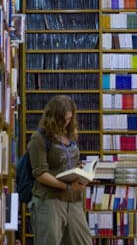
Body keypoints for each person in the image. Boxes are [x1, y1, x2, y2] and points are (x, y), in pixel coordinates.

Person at [27, 95, 92, 245]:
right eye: (63, 119)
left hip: (73, 199)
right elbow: (40, 173)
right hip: (50, 200)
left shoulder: (71, 135)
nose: (66, 123)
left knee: (83, 241)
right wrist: (67, 186)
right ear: (53, 117)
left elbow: (72, 161)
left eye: (69, 119)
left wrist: (81, 171)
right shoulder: (39, 138)